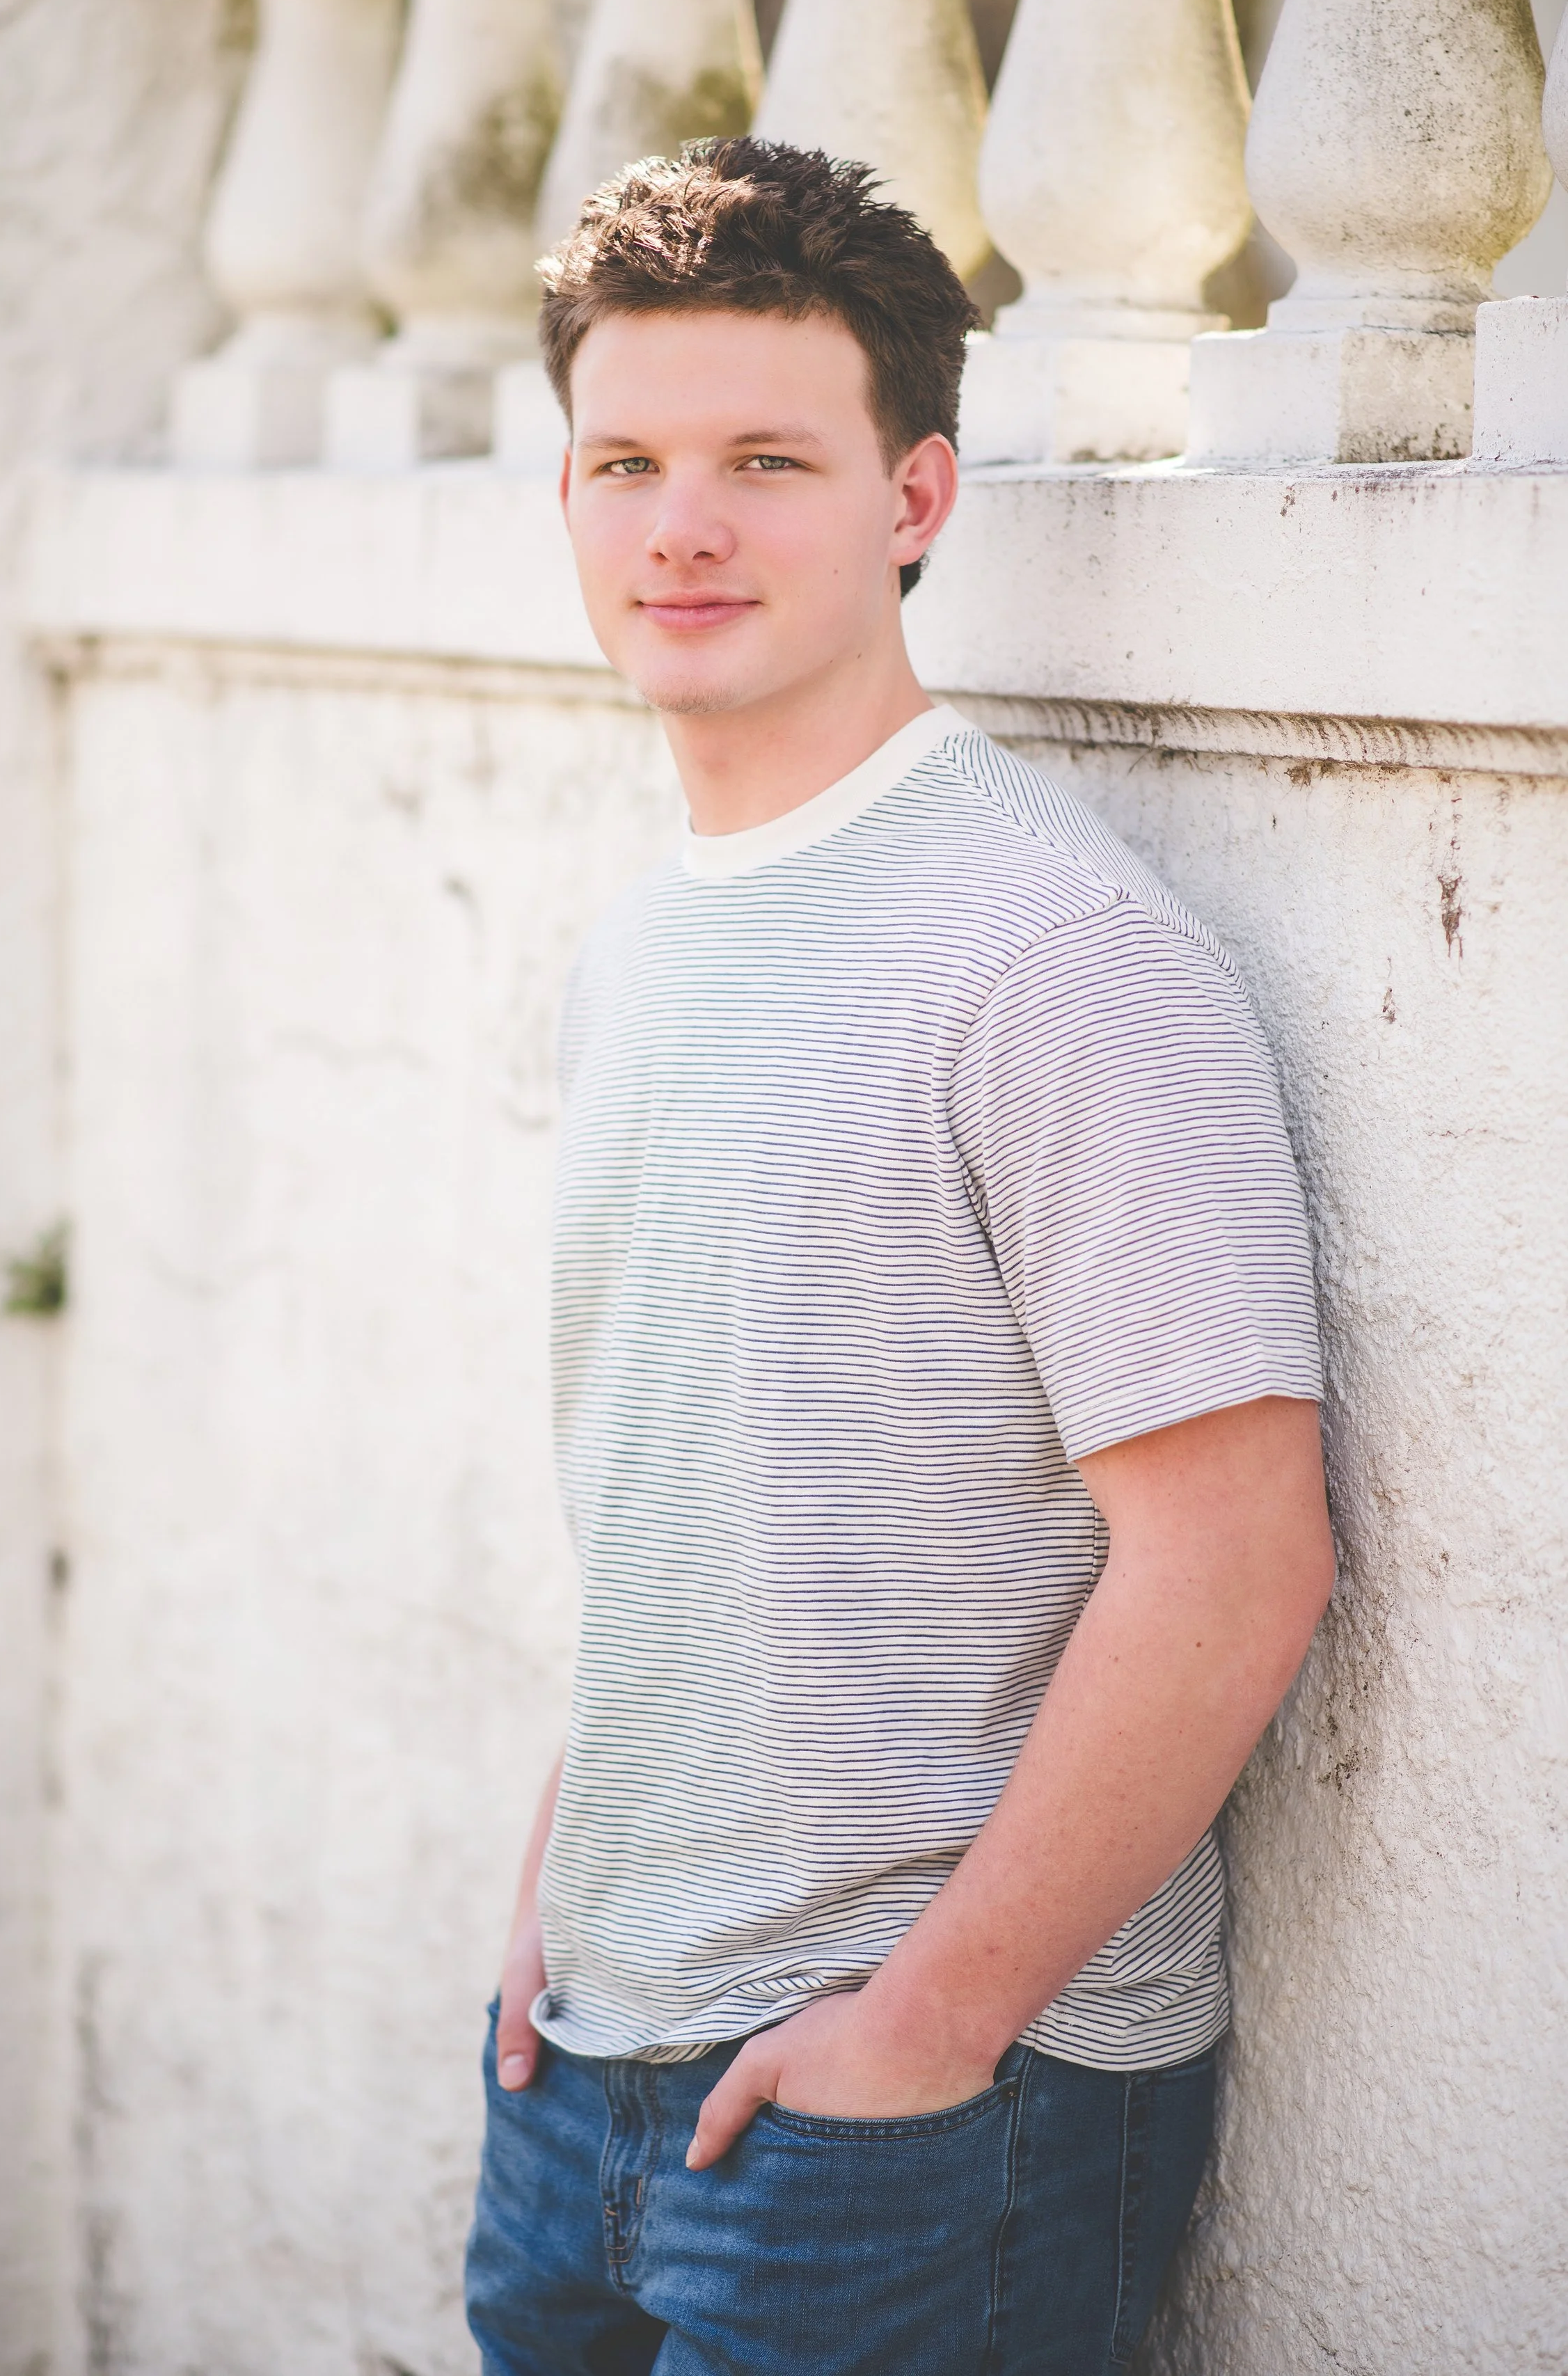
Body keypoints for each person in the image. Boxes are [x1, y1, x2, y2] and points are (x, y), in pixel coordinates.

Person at [464, 138, 1334, 2376]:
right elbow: (688, 1484)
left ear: (914, 496)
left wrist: (926, 2028)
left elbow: (1234, 1563)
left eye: (768, 458)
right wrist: (567, 1881)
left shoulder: (1051, 951)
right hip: (582, 2059)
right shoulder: (640, 946)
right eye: (625, 459)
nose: (682, 524)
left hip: (927, 2104)